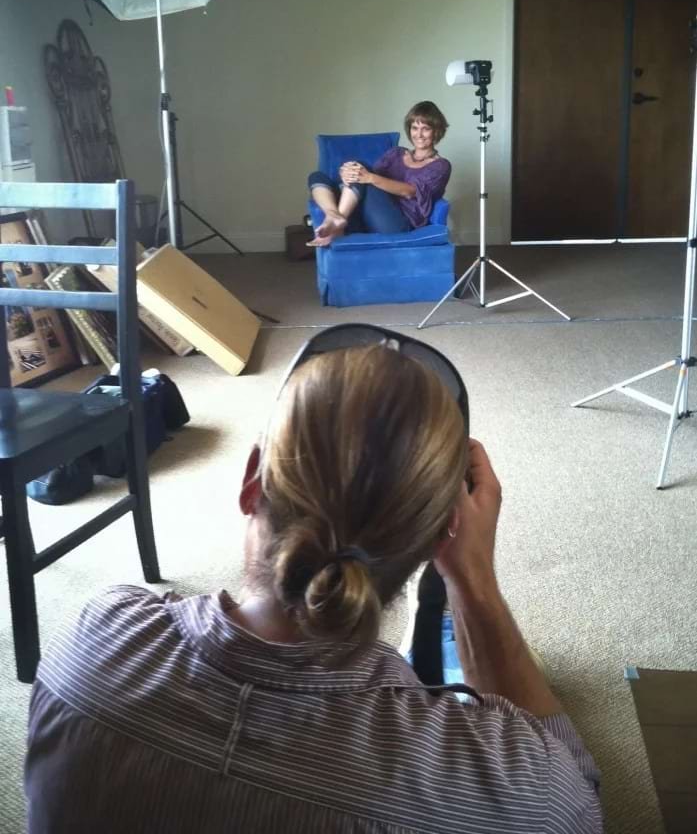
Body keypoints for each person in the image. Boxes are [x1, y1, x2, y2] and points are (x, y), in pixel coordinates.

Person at [25, 324, 602, 833]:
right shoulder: (520, 792)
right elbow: (580, 803)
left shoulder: (93, 639)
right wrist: (473, 582)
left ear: (253, 481)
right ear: (439, 537)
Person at [308, 101, 452, 246]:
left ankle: (337, 225)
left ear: (436, 131)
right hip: (370, 215)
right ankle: (333, 215)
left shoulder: (440, 166)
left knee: (361, 168)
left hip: (398, 224)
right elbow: (365, 178)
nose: (419, 134)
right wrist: (344, 172)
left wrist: (368, 176)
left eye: (425, 129)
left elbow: (410, 191)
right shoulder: (396, 153)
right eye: (414, 128)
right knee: (317, 176)